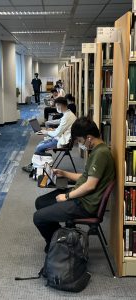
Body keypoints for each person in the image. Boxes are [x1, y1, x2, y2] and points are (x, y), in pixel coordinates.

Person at [33, 117, 115, 252]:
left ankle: (57, 245)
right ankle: (60, 238)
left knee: (38, 217)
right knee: (40, 202)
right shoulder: (98, 150)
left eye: (80, 141)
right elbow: (85, 178)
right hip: (81, 196)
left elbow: (90, 185)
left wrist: (67, 196)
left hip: (85, 204)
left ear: (88, 137)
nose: (80, 144)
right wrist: (64, 173)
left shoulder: (101, 154)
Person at [22, 96, 76, 172]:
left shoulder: (68, 116)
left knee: (39, 147)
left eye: (56, 105)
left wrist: (46, 132)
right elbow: (61, 124)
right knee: (41, 143)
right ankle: (35, 165)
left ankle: (36, 167)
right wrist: (50, 128)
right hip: (62, 137)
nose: (56, 107)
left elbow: (57, 133)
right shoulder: (68, 114)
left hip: (63, 141)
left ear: (60, 105)